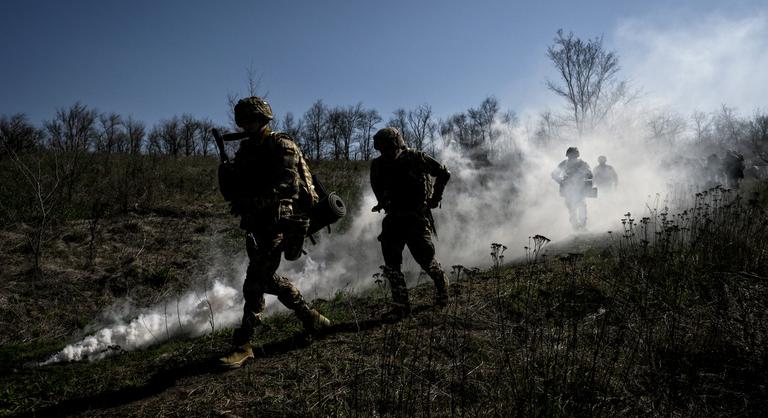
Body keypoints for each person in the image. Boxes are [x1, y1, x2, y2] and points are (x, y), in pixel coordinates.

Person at [219, 96, 331, 369]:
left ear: (263, 119)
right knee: (268, 279)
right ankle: (311, 317)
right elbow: (242, 185)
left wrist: (254, 201)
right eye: (243, 121)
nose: (246, 125)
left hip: (280, 221)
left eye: (251, 120)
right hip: (256, 222)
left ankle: (243, 344)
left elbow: (288, 187)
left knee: (254, 283)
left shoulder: (281, 144)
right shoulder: (247, 149)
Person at [370, 127, 451, 318]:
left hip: (416, 217)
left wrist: (434, 199)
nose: (387, 153)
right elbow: (378, 187)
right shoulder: (378, 165)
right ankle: (401, 306)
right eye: (383, 149)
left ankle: (443, 290)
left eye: (389, 148)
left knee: (426, 260)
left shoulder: (415, 157)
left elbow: (443, 173)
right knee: (392, 266)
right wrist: (382, 202)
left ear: (397, 144)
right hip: (393, 219)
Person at [551, 147, 593, 231]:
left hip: (580, 188)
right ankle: (575, 227)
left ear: (577, 155)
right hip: (568, 189)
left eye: (574, 154)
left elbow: (590, 174)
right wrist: (561, 182)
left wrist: (584, 175)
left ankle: (583, 226)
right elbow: (554, 174)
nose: (572, 156)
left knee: (582, 208)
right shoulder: (564, 163)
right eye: (571, 154)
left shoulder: (582, 163)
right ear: (568, 155)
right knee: (572, 209)